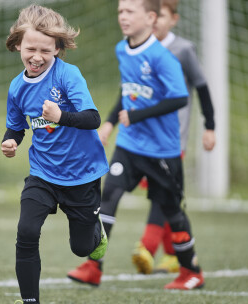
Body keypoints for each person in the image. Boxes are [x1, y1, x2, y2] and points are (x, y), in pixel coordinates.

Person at [67, 0, 205, 290]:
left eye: (130, 11)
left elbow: (179, 98)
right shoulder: (122, 49)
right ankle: (93, 266)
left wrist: (138, 114)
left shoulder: (162, 57)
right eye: (120, 11)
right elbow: (126, 88)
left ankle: (191, 271)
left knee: (172, 210)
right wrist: (108, 123)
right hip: (129, 145)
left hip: (162, 151)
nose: (123, 17)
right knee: (108, 198)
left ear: (150, 17)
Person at [2, 4, 110, 303]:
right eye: (30, 48)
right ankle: (30, 300)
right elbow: (16, 128)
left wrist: (61, 115)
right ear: (18, 45)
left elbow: (92, 119)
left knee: (82, 248)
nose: (37, 57)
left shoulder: (67, 76)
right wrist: (10, 142)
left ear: (58, 49)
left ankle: (95, 232)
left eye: (46, 51)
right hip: (43, 173)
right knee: (26, 231)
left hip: (81, 174)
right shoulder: (17, 88)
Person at [132, 0, 216, 276]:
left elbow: (202, 88)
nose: (154, 22)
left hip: (172, 140)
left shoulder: (183, 50)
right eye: (150, 16)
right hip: (145, 139)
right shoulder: (140, 50)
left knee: (162, 193)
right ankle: (172, 255)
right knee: (164, 195)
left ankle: (147, 246)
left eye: (161, 16)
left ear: (173, 19)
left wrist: (210, 126)